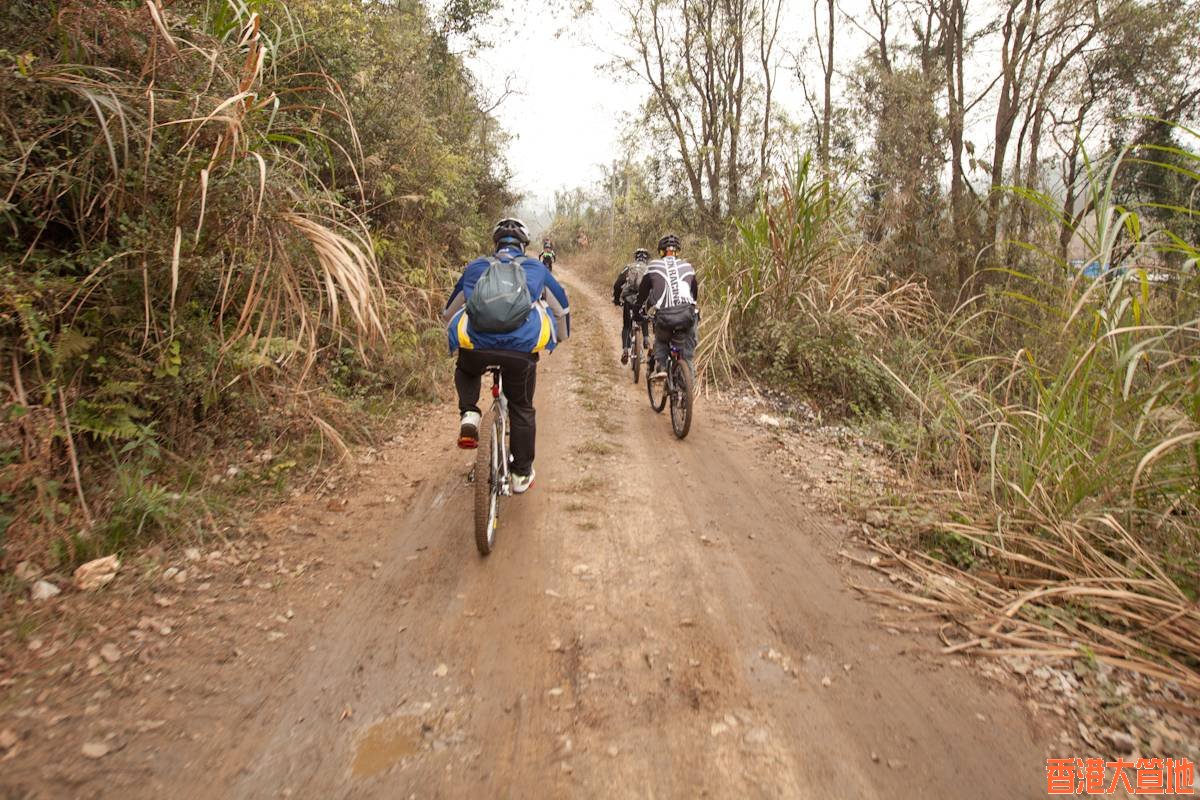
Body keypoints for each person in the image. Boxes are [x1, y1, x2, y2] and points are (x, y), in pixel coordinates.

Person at [442, 218, 570, 493]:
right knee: (522, 407)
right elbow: (561, 309)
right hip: (520, 351)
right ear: (524, 245)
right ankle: (520, 475)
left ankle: (470, 414)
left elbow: (449, 312)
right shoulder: (536, 268)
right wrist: (559, 338)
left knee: (466, 367)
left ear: (495, 244)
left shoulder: (476, 267)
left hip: (476, 347)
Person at [635, 234, 698, 381]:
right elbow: (694, 295)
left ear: (661, 251)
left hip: (665, 316)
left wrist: (638, 311)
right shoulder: (688, 266)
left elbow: (643, 294)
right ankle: (687, 385)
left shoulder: (653, 266)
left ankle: (662, 366)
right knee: (687, 355)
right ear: (678, 251)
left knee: (662, 341)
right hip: (688, 315)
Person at [611, 248, 651, 364]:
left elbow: (617, 284)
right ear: (646, 259)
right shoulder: (649, 270)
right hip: (643, 301)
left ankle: (625, 350)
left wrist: (617, 300)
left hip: (628, 300)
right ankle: (646, 339)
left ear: (635, 258)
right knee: (643, 316)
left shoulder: (629, 267)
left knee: (627, 326)